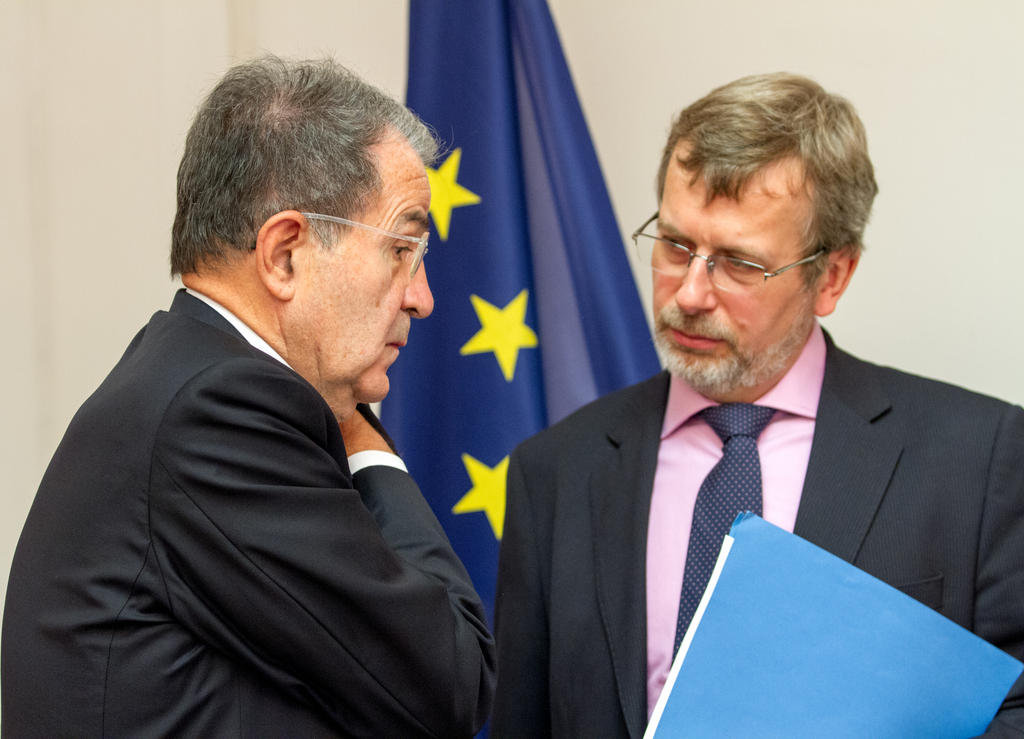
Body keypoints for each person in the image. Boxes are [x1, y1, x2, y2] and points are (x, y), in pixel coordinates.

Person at [492, 72, 1024, 737]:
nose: (688, 292)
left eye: (739, 263)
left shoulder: (979, 457)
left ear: (831, 276)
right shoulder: (555, 471)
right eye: (676, 245)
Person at [2, 56, 494, 737]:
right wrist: (365, 439)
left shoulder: (188, 379)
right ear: (286, 253)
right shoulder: (218, 413)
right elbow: (449, 683)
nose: (423, 296)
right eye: (401, 249)